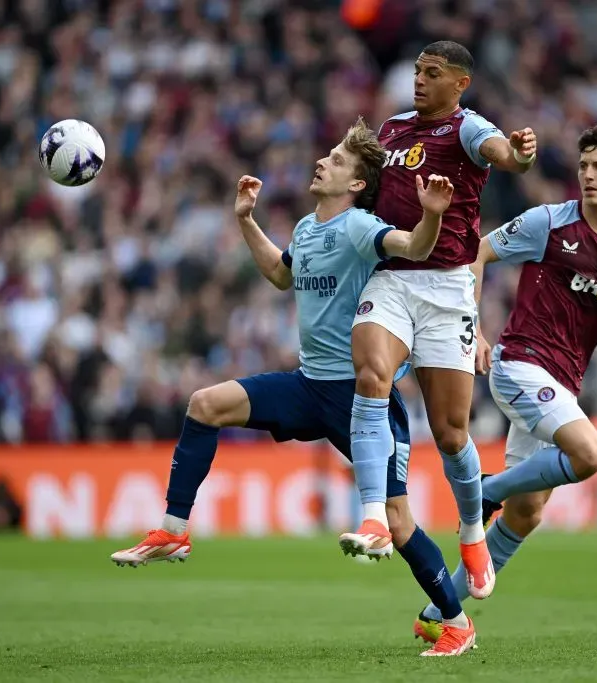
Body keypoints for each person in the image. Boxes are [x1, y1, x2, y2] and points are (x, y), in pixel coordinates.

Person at [110, 119, 478, 656]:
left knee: (398, 523)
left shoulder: (359, 226)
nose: (321, 162)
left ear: (355, 183)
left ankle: (456, 621)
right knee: (205, 404)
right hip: (308, 385)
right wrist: (246, 222)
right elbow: (283, 276)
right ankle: (173, 529)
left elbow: (415, 248)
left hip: (363, 398)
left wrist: (431, 215)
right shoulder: (307, 228)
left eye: (335, 160)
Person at [413, 125, 597, 642]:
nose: (588, 175)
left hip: (563, 381)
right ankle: (484, 491)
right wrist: (472, 330)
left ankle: (438, 614)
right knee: (590, 454)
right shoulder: (548, 223)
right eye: (583, 166)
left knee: (529, 512)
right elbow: (479, 251)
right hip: (520, 363)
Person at [344, 40, 538, 601]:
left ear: (460, 84)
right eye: (417, 71)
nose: (420, 81)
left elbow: (505, 154)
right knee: (371, 375)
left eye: (432, 74)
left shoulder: (467, 128)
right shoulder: (391, 129)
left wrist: (520, 154)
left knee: (452, 433)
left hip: (449, 289)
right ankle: (375, 515)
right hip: (392, 276)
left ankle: (474, 533)